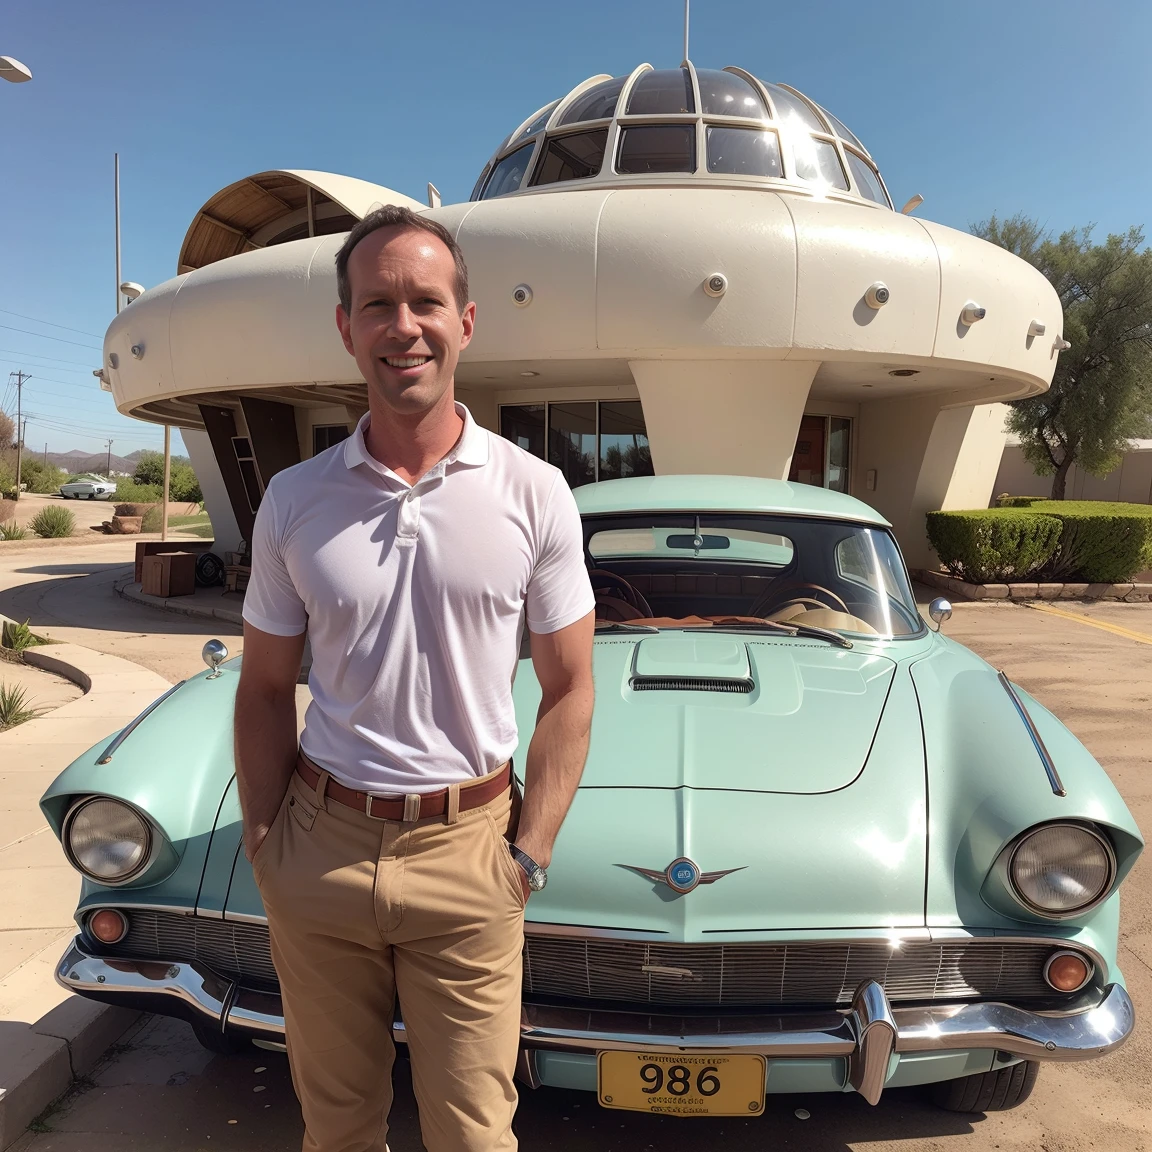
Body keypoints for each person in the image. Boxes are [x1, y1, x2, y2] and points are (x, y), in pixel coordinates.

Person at [234, 204, 596, 1152]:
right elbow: (266, 686)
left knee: (475, 1135)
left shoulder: (533, 492)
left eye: (426, 301)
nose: (405, 326)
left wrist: (530, 854)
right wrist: (269, 844)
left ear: (465, 321)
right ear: (347, 328)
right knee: (337, 1130)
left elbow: (570, 688)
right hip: (321, 844)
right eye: (379, 304)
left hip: (472, 855)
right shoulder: (296, 499)